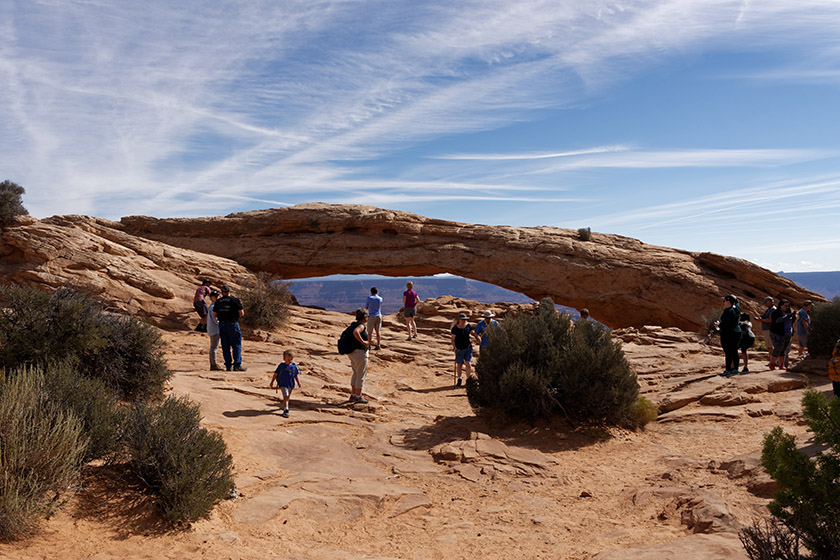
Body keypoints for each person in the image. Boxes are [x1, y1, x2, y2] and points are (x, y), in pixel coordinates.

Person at [213, 285, 247, 372]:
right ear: (229, 291)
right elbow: (241, 313)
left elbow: (214, 315)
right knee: (236, 345)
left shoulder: (218, 301)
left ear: (222, 292)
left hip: (222, 324)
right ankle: (237, 365)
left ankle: (228, 366)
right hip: (232, 323)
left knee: (225, 345)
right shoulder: (234, 300)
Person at [345, 309, 370, 403]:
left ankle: (353, 394)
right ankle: (358, 396)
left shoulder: (353, 324)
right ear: (365, 317)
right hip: (359, 353)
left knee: (356, 373)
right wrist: (364, 342)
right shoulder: (361, 326)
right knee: (361, 374)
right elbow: (356, 332)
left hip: (352, 353)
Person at [269, 349, 301, 418]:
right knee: (286, 396)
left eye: (291, 359)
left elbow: (295, 375)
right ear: (284, 359)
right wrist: (272, 382)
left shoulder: (293, 366)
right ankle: (286, 410)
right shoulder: (281, 366)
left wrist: (298, 383)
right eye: (288, 359)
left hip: (291, 384)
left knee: (287, 397)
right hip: (283, 384)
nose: (290, 361)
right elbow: (275, 374)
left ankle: (285, 406)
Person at [717, 295, 742, 377]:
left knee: (728, 351)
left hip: (728, 333)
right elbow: (737, 303)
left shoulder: (728, 311)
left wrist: (718, 326)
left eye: (724, 301)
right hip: (737, 331)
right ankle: (735, 369)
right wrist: (735, 300)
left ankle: (728, 370)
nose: (723, 303)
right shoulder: (737, 309)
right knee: (734, 351)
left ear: (728, 301)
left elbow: (725, 323)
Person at [769, 299, 794, 371]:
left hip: (787, 334)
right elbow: (777, 320)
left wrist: (792, 316)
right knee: (777, 348)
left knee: (783, 350)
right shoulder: (776, 313)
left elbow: (791, 322)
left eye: (788, 306)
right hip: (778, 333)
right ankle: (772, 364)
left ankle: (781, 365)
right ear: (780, 306)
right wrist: (787, 316)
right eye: (785, 306)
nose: (787, 307)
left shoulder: (788, 312)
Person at [451, 312, 473, 387]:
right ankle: (459, 378)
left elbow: (472, 333)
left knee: (468, 363)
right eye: (462, 319)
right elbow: (453, 339)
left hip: (468, 347)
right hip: (459, 349)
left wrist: (477, 337)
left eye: (465, 319)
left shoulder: (468, 326)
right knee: (459, 364)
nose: (464, 321)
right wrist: (454, 347)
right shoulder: (455, 328)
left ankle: (468, 379)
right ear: (459, 320)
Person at [755, 296, 776, 361]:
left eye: (766, 302)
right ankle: (772, 360)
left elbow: (770, 320)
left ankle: (774, 361)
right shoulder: (770, 309)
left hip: (769, 329)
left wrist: (761, 320)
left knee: (771, 346)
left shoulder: (773, 309)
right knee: (769, 346)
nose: (765, 304)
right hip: (767, 329)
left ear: (769, 302)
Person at [207, 290, 222, 371]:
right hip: (215, 330)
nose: (217, 297)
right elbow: (215, 319)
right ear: (211, 298)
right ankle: (213, 365)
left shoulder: (213, 306)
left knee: (213, 347)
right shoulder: (213, 307)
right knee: (214, 348)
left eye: (217, 296)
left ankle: (213, 364)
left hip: (212, 329)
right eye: (215, 296)